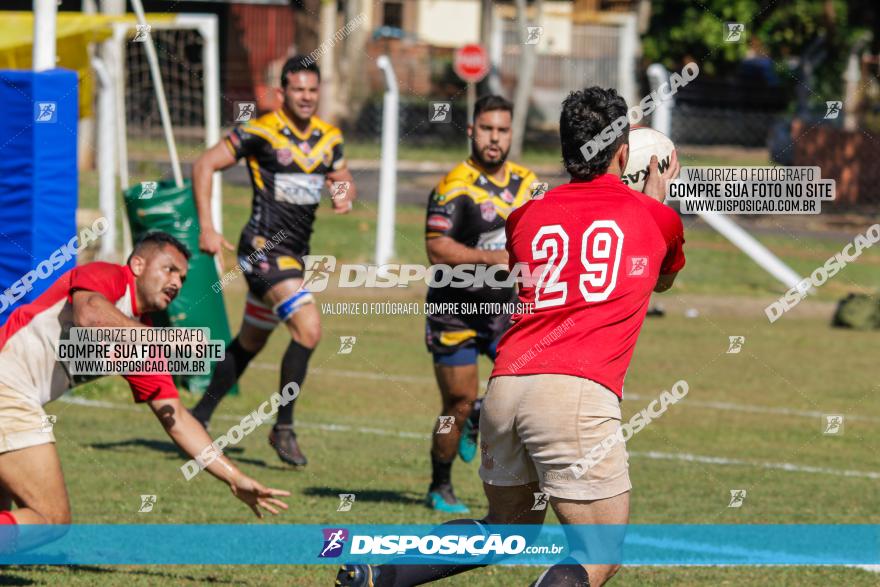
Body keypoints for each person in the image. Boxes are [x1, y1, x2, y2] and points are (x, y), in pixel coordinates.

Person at [337, 86, 684, 586]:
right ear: (624, 152)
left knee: (506, 533)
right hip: (575, 394)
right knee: (598, 553)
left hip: (507, 387)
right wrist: (652, 201)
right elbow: (660, 277)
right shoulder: (655, 217)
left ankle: (376, 576)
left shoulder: (525, 216)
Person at [0, 231, 289, 531]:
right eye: (169, 269)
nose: (177, 282)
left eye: (183, 279)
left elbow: (176, 417)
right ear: (137, 265)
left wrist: (233, 475)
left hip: (14, 395)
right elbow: (90, 316)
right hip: (8, 390)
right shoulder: (107, 275)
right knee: (50, 520)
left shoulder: (142, 340)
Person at [189, 55, 357, 467]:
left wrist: (343, 193)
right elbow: (205, 164)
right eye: (298, 89)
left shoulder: (328, 137)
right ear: (282, 92)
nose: (306, 97)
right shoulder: (260, 131)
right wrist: (208, 227)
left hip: (294, 257)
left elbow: (340, 174)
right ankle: (283, 429)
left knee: (250, 341)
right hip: (262, 250)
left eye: (312, 90)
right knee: (308, 328)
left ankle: (198, 418)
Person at [422, 94, 538, 513]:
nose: (495, 138)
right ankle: (439, 485)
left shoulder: (528, 185)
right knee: (456, 401)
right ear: (472, 131)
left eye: (502, 130)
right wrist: (495, 258)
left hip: (504, 312)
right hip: (454, 311)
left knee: (529, 388)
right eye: (487, 129)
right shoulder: (453, 186)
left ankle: (479, 415)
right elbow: (437, 248)